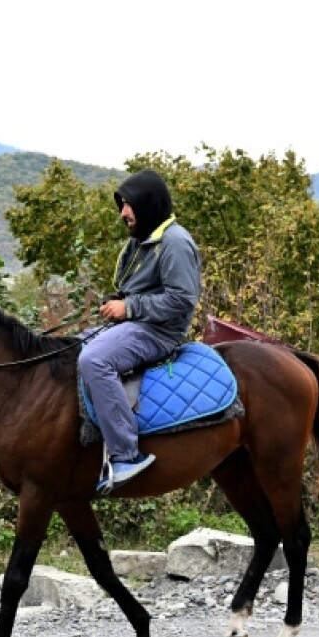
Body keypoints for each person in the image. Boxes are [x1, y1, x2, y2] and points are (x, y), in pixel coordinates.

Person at [79, 169, 201, 496]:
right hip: (136, 324)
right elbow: (138, 288)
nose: (123, 212)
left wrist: (129, 308)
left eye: (128, 204)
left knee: (94, 360)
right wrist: (118, 302)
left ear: (148, 203)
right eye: (122, 205)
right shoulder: (142, 240)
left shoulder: (174, 243)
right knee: (71, 348)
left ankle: (126, 455)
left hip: (158, 333)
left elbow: (182, 300)